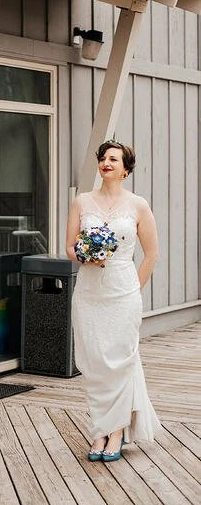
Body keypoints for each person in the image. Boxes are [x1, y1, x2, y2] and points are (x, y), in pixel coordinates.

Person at [65, 140, 162, 462]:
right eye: (103, 158)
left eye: (113, 159)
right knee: (93, 361)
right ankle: (99, 429)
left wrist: (134, 288)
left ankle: (116, 430)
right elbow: (69, 248)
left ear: (126, 169)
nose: (106, 163)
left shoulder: (138, 205)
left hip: (123, 291)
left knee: (119, 360)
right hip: (90, 291)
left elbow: (151, 254)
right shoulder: (82, 201)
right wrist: (85, 257)